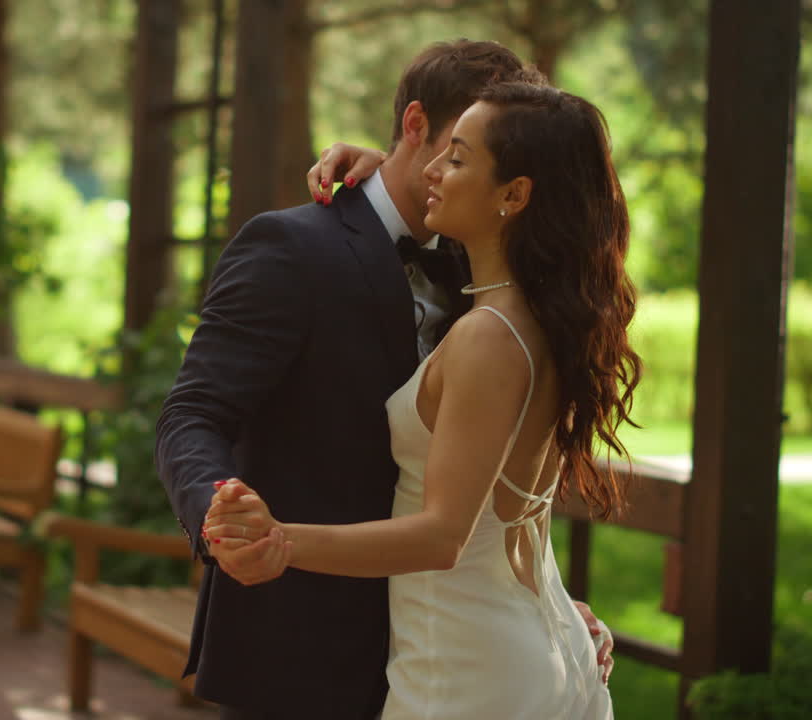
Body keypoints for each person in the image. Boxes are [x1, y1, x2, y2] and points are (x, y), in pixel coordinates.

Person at [156, 41, 613, 720]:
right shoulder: (291, 248)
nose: (445, 169)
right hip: (308, 646)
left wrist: (535, 600)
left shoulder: (493, 265)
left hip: (451, 648)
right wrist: (223, 515)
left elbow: (497, 472)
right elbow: (192, 412)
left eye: (465, 156)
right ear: (416, 126)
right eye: (448, 147)